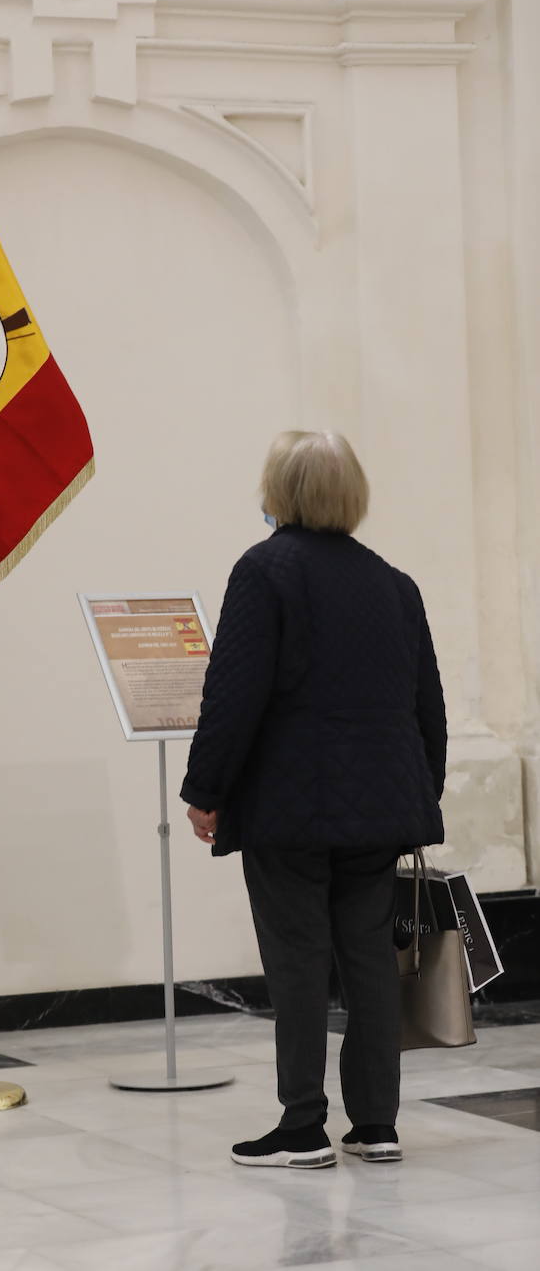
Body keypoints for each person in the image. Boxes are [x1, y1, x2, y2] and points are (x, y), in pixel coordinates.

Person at [181, 430, 446, 1170]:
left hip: (288, 808)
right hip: (380, 806)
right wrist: (420, 789)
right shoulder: (396, 585)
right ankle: (377, 1124)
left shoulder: (264, 572)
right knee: (368, 958)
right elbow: (428, 706)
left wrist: (205, 789)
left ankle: (301, 1127)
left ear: (280, 493)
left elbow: (234, 695)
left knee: (297, 960)